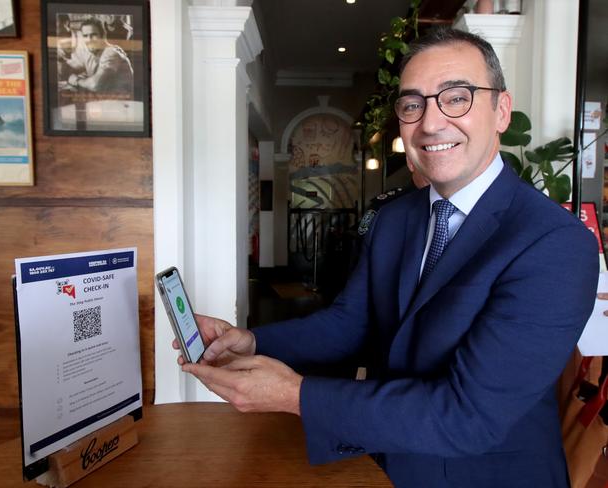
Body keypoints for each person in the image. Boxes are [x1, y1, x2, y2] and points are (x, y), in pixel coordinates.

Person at [175, 27, 599, 487]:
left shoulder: (554, 243)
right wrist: (252, 343)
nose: (431, 123)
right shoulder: (396, 218)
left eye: (456, 97)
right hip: (381, 464)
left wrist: (294, 395)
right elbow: (349, 324)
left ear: (500, 110)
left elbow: (468, 415)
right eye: (413, 104)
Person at [59, 18, 133, 97]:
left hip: (124, 104)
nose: (89, 40)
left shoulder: (111, 52)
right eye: (85, 36)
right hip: (107, 103)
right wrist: (61, 59)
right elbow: (70, 68)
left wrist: (76, 80)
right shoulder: (91, 54)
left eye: (93, 35)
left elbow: (95, 85)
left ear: (103, 35)